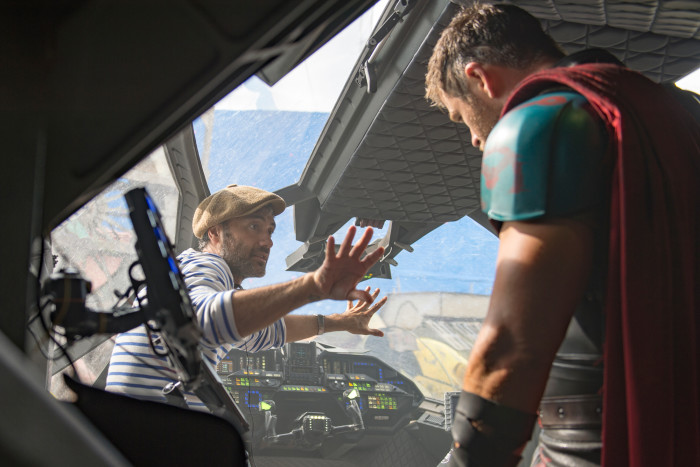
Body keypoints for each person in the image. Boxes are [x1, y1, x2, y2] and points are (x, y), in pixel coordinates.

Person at [425, 3, 700, 467]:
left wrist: (467, 459)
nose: (473, 138)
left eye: (461, 116)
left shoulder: (538, 123)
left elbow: (512, 344)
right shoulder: (681, 111)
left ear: (479, 78)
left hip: (598, 441)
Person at [106, 184, 387, 409]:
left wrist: (342, 322)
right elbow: (200, 320)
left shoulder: (213, 284)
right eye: (254, 227)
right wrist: (312, 286)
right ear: (215, 233)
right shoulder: (202, 265)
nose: (268, 241)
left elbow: (269, 331)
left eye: (270, 230)